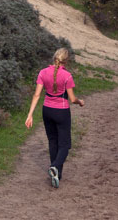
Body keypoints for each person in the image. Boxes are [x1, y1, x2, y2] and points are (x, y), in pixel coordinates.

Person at [25, 47, 85, 188]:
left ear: (54, 58)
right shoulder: (67, 76)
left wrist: (30, 114)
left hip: (47, 111)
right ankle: (55, 166)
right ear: (66, 61)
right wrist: (80, 102)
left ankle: (57, 174)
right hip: (62, 112)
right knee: (65, 144)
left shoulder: (42, 72)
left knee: (53, 141)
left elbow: (36, 95)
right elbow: (71, 98)